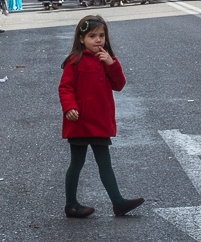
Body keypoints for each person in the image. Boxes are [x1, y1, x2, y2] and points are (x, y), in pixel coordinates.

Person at [57, 15, 144, 219]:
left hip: (99, 121)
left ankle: (118, 202)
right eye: (92, 36)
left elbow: (119, 85)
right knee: (76, 164)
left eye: (101, 36)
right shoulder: (74, 61)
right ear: (81, 39)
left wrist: (111, 64)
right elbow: (65, 88)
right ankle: (71, 204)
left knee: (105, 164)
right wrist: (69, 107)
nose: (98, 40)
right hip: (79, 121)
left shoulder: (108, 60)